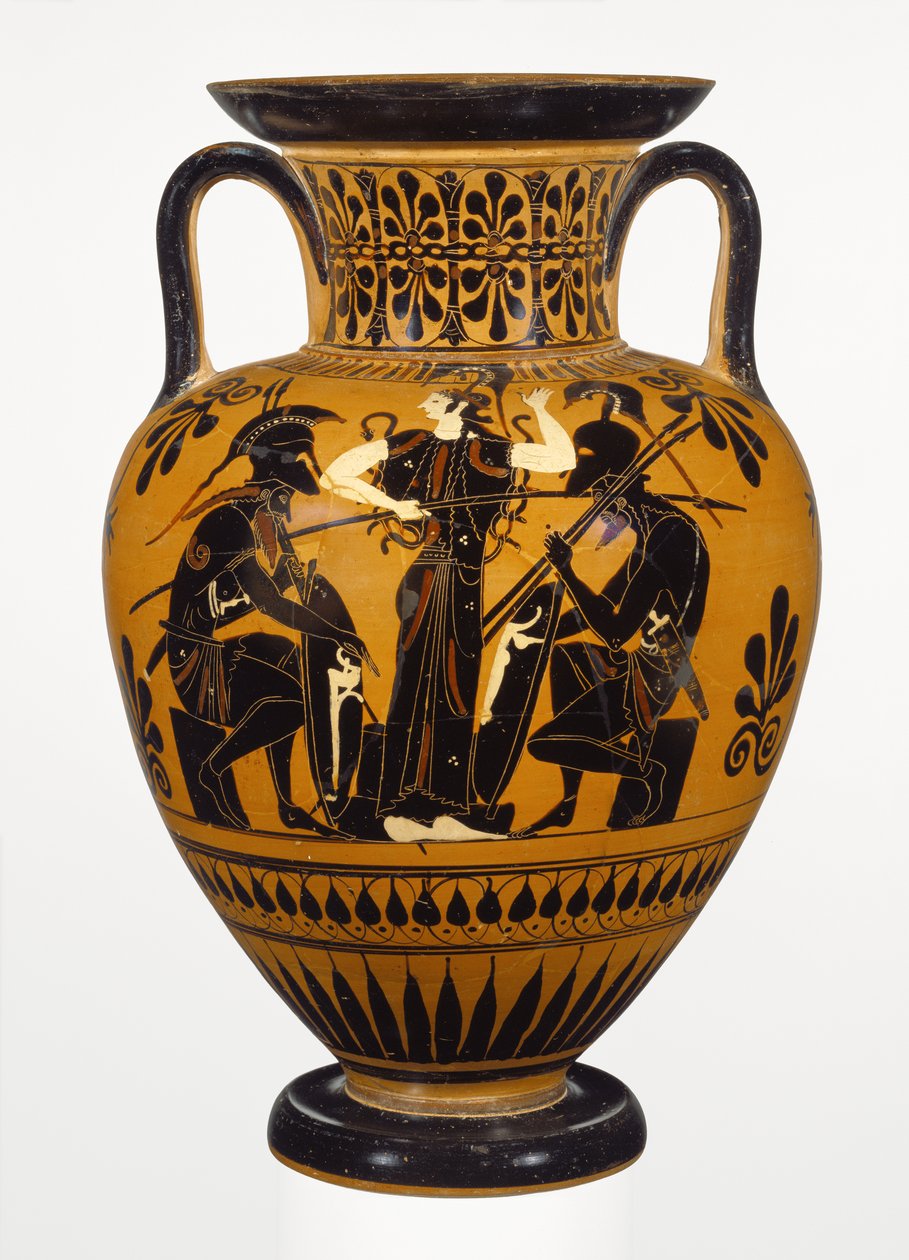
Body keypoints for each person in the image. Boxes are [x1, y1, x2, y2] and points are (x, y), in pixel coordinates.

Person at [319, 387, 575, 831]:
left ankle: (445, 798)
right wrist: (394, 505)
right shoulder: (412, 442)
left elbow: (561, 459)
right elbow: (334, 476)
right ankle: (398, 794)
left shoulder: (488, 449)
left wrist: (540, 410)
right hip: (427, 577)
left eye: (436, 399)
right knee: (413, 678)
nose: (425, 404)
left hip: (465, 581)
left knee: (457, 680)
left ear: (456, 405)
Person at [164, 407, 374, 831]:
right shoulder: (232, 520)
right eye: (288, 497)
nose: (290, 507)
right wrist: (335, 633)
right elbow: (269, 603)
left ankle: (285, 806)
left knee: (294, 668)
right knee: (293, 704)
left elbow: (277, 588)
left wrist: (302, 582)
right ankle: (213, 770)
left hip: (213, 643)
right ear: (277, 488)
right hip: (195, 660)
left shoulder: (262, 519)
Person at [522, 403, 709, 831]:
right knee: (563, 657)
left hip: (656, 676)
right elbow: (603, 605)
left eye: (598, 504)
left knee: (543, 743)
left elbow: (613, 632)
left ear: (613, 489)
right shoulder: (652, 530)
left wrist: (567, 571)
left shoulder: (668, 536)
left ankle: (646, 772)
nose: (597, 516)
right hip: (638, 660)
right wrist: (542, 633)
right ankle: (569, 801)